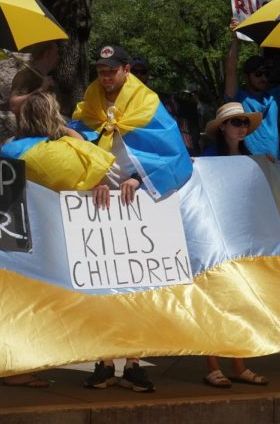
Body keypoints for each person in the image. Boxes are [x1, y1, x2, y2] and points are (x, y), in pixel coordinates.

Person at [71, 44, 193, 393]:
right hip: (99, 199)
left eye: (112, 69)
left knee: (139, 286)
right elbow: (74, 140)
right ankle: (104, 361)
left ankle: (135, 362)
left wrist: (139, 179)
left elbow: (172, 152)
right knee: (101, 284)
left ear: (127, 69)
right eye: (101, 69)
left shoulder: (148, 103)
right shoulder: (90, 101)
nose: (105, 75)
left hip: (140, 198)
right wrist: (92, 176)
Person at [199, 102, 269, 388]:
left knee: (241, 302)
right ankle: (213, 366)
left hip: (242, 241)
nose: (242, 127)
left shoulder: (252, 159)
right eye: (236, 122)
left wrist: (270, 168)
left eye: (244, 123)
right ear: (222, 127)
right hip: (214, 239)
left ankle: (239, 365)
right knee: (213, 302)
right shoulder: (206, 158)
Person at [1, 91, 115, 202]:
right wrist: (59, 126)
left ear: (23, 116)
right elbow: (88, 157)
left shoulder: (10, 148)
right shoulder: (71, 148)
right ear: (56, 115)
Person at [223, 18, 280, 159]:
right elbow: (231, 70)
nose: (264, 78)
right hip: (248, 165)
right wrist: (235, 39)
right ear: (246, 77)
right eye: (258, 74)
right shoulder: (238, 98)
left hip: (273, 166)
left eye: (266, 74)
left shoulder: (274, 97)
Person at [9, 40, 61, 115]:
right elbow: (14, 106)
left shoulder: (48, 79)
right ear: (47, 54)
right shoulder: (26, 76)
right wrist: (41, 89)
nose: (58, 57)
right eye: (56, 53)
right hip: (31, 126)